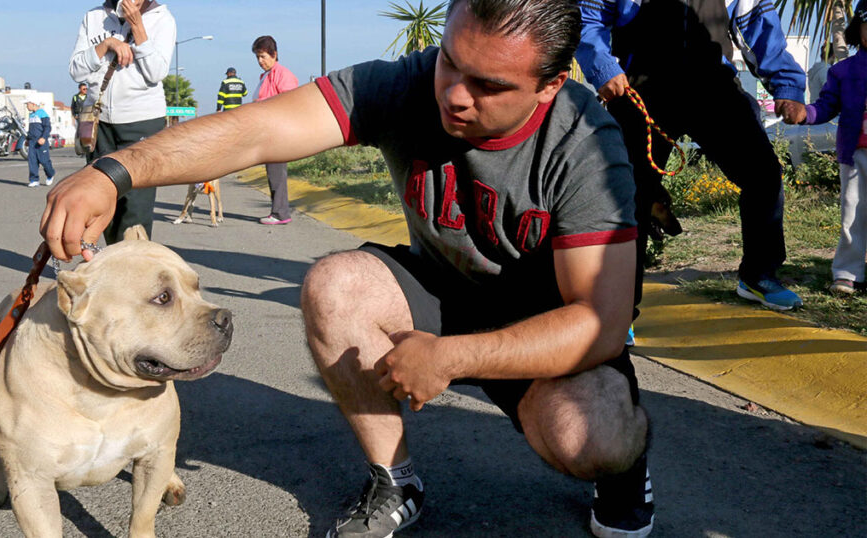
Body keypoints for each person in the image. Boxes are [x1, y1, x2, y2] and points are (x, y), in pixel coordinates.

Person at [40, 1, 653, 537]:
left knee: (591, 437)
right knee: (335, 285)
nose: (454, 93)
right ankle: (396, 482)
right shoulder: (409, 84)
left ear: (548, 87)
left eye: (487, 85)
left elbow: (599, 320)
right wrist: (114, 171)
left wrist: (453, 358)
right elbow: (256, 132)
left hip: (545, 323)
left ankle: (624, 472)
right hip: (439, 290)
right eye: (449, 62)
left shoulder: (586, 147)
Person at [577, 0, 808, 312]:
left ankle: (758, 276)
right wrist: (602, 67)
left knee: (763, 174)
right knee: (627, 192)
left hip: (713, 87)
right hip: (640, 87)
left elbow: (760, 25)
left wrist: (787, 86)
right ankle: (617, 306)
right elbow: (588, 18)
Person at [68, 0, 175, 243]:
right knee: (104, 203)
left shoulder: (162, 18)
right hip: (100, 122)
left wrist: (138, 26)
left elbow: (157, 72)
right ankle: (116, 265)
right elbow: (76, 70)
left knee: (135, 210)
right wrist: (106, 44)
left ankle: (135, 273)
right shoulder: (94, 17)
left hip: (142, 121)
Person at [785, 1, 867, 295]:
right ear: (859, 29)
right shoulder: (842, 71)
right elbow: (826, 106)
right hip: (855, 157)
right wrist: (805, 113)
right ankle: (847, 272)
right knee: (852, 214)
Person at [252, 35, 299, 225]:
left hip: (279, 132)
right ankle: (277, 211)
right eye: (257, 57)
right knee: (273, 174)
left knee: (277, 174)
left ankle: (280, 213)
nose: (260, 61)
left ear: (274, 54)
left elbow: (289, 101)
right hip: (268, 131)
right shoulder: (266, 75)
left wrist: (261, 104)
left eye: (263, 56)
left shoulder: (283, 74)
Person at [25, 100, 56, 188]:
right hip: (32, 142)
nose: (27, 106)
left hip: (41, 141)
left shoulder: (42, 113)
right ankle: (34, 180)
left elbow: (47, 127)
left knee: (44, 161)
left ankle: (50, 174)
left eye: (28, 104)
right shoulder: (31, 115)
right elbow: (31, 129)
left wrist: (43, 137)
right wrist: (28, 139)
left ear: (33, 104)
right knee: (32, 161)